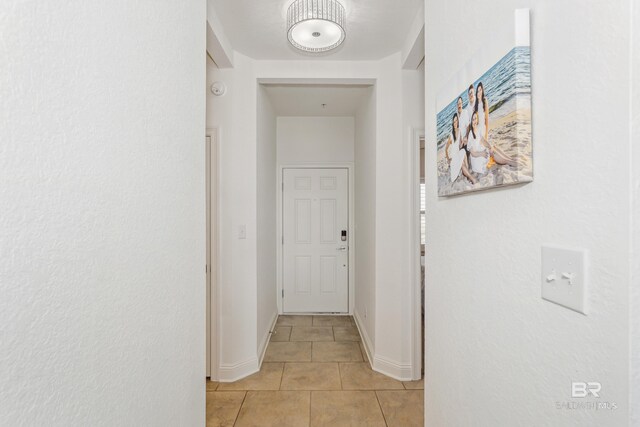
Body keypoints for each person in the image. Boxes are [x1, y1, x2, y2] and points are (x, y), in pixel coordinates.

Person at [445, 113, 477, 184]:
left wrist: (464, 141)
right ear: (452, 123)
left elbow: (459, 146)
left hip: (457, 153)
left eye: (456, 121)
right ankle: (471, 178)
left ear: (458, 121)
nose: (455, 123)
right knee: (462, 164)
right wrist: (448, 159)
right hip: (453, 157)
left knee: (463, 151)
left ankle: (467, 171)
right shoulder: (451, 135)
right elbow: (446, 149)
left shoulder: (459, 131)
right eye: (454, 121)